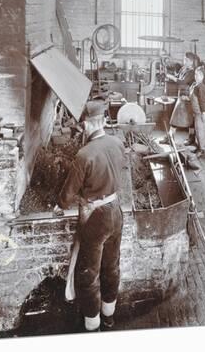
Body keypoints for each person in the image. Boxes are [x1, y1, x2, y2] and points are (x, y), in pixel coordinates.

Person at [55, 101, 126, 332]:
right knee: (112, 267)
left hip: (97, 219)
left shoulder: (84, 154)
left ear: (85, 124)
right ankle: (109, 319)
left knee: (89, 274)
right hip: (116, 210)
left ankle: (92, 326)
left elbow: (67, 196)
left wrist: (59, 204)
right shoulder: (117, 143)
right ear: (104, 121)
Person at [162, 52, 201, 144]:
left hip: (187, 96)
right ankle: (174, 138)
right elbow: (177, 77)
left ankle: (176, 138)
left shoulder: (192, 72)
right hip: (181, 95)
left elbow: (182, 82)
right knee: (186, 117)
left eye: (186, 60)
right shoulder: (184, 68)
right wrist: (169, 74)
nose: (184, 61)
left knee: (184, 118)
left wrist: (171, 77)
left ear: (191, 62)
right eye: (184, 59)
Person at [189, 66, 205, 157]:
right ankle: (199, 147)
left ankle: (201, 150)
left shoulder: (201, 87)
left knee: (201, 131)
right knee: (197, 131)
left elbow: (202, 102)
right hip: (196, 112)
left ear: (203, 76)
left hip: (201, 112)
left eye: (199, 75)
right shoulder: (195, 85)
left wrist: (204, 113)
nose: (196, 76)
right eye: (196, 74)